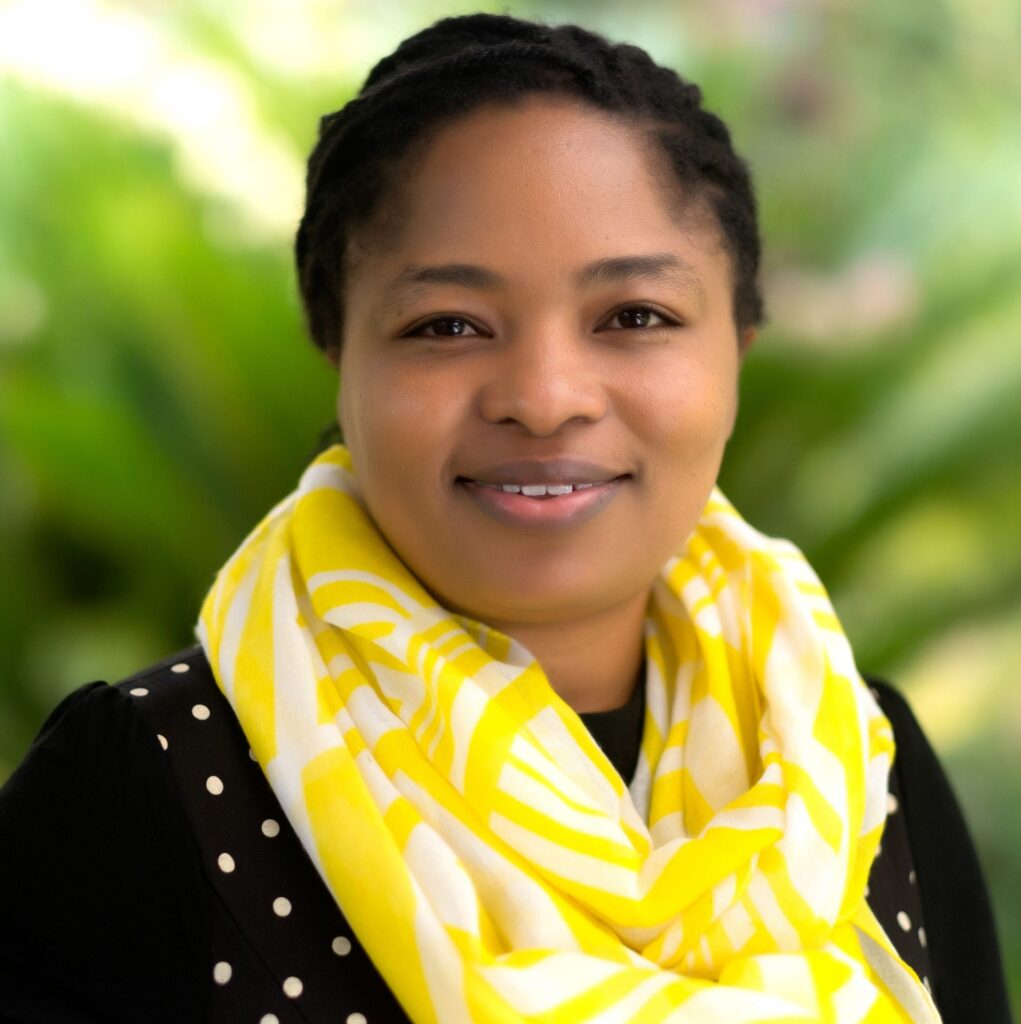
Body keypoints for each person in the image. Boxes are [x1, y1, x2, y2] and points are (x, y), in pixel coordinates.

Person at [0, 12, 1012, 1024]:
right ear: (337, 354)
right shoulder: (147, 784)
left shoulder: (862, 765)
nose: (544, 397)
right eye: (447, 325)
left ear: (735, 352)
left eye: (634, 316)